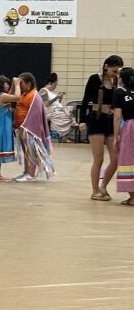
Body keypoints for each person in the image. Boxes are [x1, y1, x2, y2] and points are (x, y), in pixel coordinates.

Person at [80, 55, 124, 201]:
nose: (116, 74)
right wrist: (82, 121)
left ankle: (103, 185)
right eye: (114, 70)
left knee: (116, 158)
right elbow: (85, 100)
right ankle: (95, 190)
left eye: (118, 71)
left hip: (110, 122)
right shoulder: (94, 79)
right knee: (98, 158)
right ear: (106, 66)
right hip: (96, 119)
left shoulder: (117, 82)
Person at [13, 73, 54, 183]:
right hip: (22, 128)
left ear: (29, 83)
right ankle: (26, 172)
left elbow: (35, 113)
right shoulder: (25, 94)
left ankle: (30, 174)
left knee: (31, 152)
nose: (20, 86)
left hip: (30, 129)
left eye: (21, 84)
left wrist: (27, 126)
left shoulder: (34, 95)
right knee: (26, 151)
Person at [114, 67, 134, 205]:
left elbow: (117, 117)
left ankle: (133, 196)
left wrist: (116, 136)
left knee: (127, 159)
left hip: (130, 127)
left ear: (121, 79)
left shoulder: (119, 92)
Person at [39, 73, 77, 140]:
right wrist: (57, 97)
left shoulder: (52, 92)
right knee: (66, 116)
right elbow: (46, 103)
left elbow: (55, 104)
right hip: (48, 111)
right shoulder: (43, 91)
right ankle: (59, 135)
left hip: (56, 109)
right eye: (55, 84)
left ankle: (67, 130)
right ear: (50, 83)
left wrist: (60, 99)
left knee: (71, 109)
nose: (55, 86)